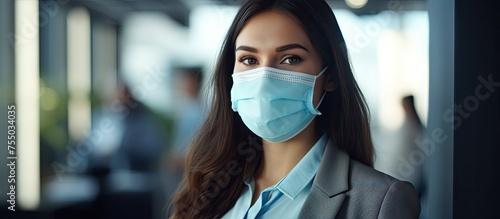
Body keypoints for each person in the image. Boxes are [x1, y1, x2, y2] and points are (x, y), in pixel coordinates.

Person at [170, 0, 420, 218]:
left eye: (290, 59)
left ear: (330, 77)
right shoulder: (208, 184)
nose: (264, 78)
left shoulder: (379, 202)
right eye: (249, 60)